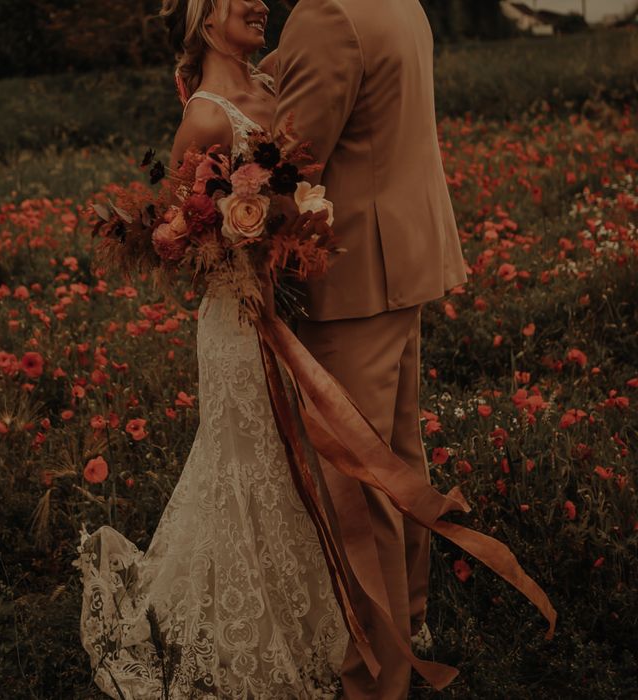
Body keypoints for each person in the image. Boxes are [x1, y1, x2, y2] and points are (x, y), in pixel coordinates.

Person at [75, 1, 350, 697]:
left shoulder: (275, 84)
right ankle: (241, 630)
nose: (262, 2)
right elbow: (175, 235)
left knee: (293, 467)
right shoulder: (204, 117)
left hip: (289, 308)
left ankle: (316, 609)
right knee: (245, 467)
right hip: (234, 320)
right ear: (206, 20)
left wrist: (296, 232)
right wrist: (234, 239)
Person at [271, 0, 469, 697]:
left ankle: (374, 678)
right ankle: (410, 624)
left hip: (350, 275)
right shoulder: (400, 3)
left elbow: (289, 159)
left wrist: (219, 218)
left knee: (357, 489)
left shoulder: (327, 14)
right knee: (399, 457)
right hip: (401, 259)